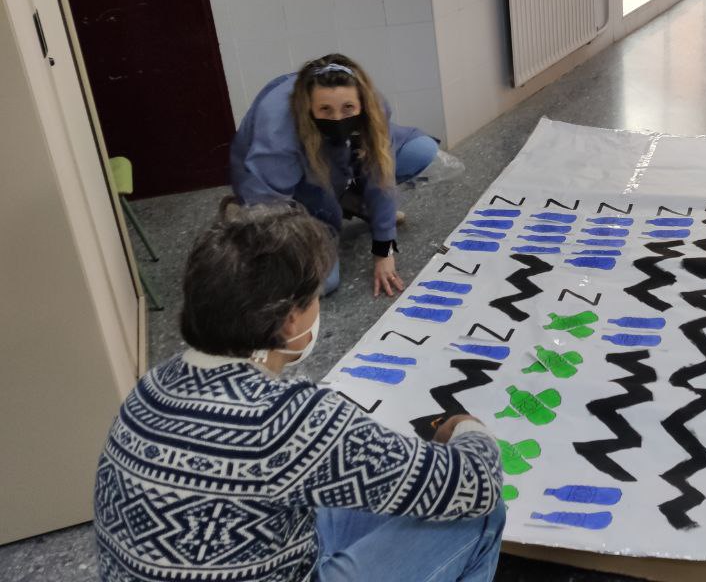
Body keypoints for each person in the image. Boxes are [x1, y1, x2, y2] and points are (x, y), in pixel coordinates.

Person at [93, 206, 505, 582]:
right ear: (290, 319)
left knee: (345, 494)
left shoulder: (151, 386)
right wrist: (465, 428)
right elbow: (476, 484)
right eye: (314, 299)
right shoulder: (285, 419)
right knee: (479, 513)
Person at [229, 53, 461, 297]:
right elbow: (268, 202)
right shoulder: (278, 129)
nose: (338, 118)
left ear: (362, 103)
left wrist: (384, 250)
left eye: (348, 108)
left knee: (420, 150)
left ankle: (353, 202)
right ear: (308, 107)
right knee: (320, 283)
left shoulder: (375, 106)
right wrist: (279, 244)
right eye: (325, 109)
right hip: (278, 183)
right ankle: (256, 216)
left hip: (334, 159)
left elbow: (381, 175)